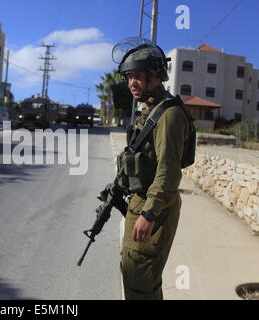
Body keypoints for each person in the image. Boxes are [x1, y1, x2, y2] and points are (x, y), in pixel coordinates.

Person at [113, 38, 193, 299]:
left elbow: (169, 172)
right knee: (133, 271)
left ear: (156, 76)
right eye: (129, 77)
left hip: (153, 208)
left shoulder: (168, 115)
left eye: (137, 76)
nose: (131, 83)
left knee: (141, 281)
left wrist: (149, 214)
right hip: (141, 202)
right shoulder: (149, 110)